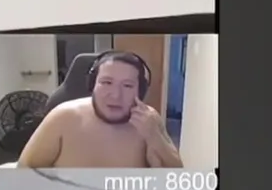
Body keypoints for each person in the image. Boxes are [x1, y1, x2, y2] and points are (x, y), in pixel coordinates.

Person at [18, 51, 183, 168]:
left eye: (127, 85)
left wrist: (154, 137)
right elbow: (24, 172)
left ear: (140, 91)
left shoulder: (149, 120)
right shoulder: (62, 117)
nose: (115, 95)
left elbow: (175, 178)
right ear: (92, 85)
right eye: (106, 83)